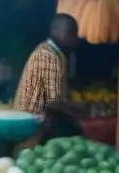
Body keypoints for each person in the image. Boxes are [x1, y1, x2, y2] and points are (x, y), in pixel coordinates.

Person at [13, 13, 82, 144]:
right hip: (32, 120)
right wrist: (78, 109)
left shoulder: (54, 52)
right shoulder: (48, 55)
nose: (74, 38)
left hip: (37, 119)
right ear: (55, 31)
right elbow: (53, 101)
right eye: (70, 33)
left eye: (75, 34)